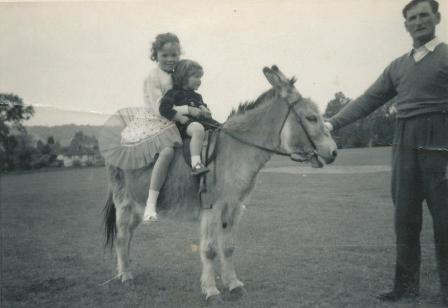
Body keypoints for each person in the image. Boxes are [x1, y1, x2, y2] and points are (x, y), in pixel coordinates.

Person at [325, 0, 447, 305]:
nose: (419, 22)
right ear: (405, 25)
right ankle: (405, 287)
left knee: (445, 221)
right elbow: (368, 99)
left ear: (438, 18)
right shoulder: (397, 66)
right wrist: (332, 123)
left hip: (440, 141)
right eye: (412, 18)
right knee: (404, 218)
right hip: (404, 141)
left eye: (424, 16)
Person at [99, 33, 188, 223]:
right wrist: (184, 111)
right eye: (165, 55)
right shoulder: (153, 76)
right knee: (167, 152)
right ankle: (151, 202)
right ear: (156, 55)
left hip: (178, 120)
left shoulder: (178, 73)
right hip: (158, 122)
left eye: (174, 55)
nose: (170, 59)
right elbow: (159, 106)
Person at [159, 59, 219, 175]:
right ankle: (196, 164)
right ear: (184, 77)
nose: (199, 81)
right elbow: (164, 108)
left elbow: (202, 106)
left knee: (221, 128)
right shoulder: (173, 93)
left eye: (200, 77)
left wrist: (205, 110)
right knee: (198, 129)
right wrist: (179, 117)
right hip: (184, 125)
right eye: (196, 77)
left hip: (202, 122)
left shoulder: (197, 96)